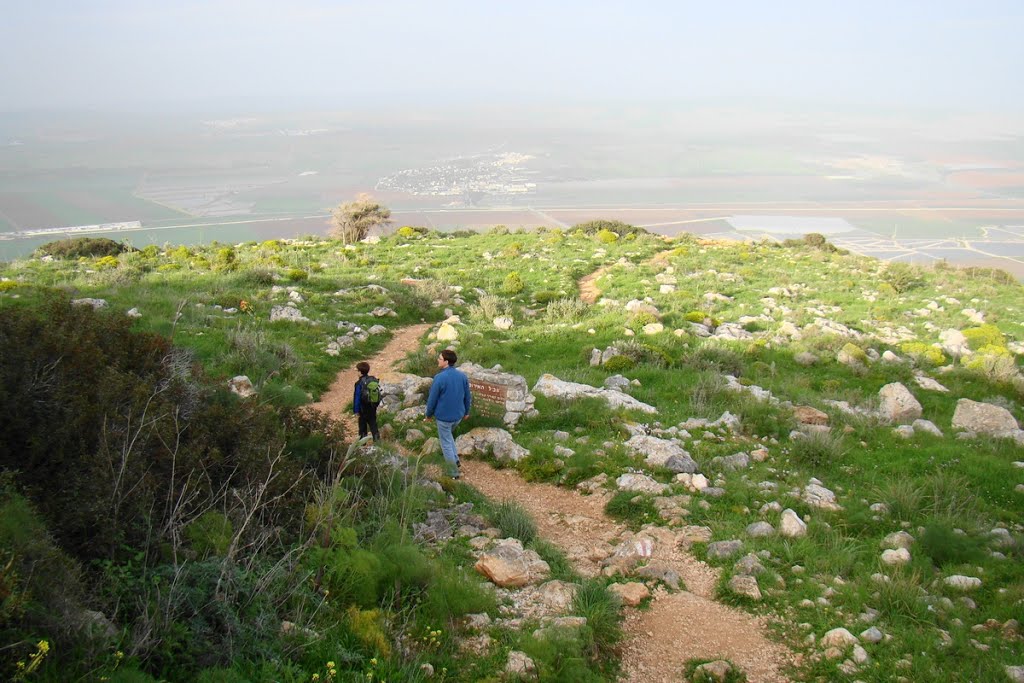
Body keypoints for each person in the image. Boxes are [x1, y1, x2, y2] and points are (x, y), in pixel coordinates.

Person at [425, 349, 471, 478]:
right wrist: (467, 411)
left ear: (446, 361)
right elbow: (467, 396)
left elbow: (432, 399)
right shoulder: (462, 376)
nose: (437, 360)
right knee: (448, 436)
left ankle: (453, 473)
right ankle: (455, 460)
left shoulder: (439, 378)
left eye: (439, 358)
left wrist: (428, 414)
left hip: (444, 417)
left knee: (445, 443)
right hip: (458, 415)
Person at [353, 361, 381, 442]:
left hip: (363, 408)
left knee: (362, 426)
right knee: (373, 423)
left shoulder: (359, 383)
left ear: (360, 372)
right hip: (372, 406)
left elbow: (357, 397)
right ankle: (377, 440)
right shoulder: (372, 380)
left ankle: (362, 443)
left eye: (357, 371)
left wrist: (356, 410)